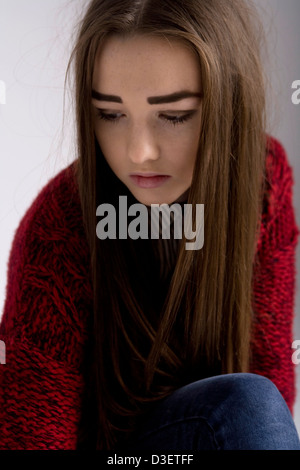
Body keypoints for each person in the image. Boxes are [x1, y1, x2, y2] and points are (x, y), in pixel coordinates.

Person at [0, 0, 299, 451]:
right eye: (110, 114)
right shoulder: (58, 231)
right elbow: (31, 437)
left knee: (254, 402)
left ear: (228, 105)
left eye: (174, 115)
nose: (139, 152)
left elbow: (272, 377)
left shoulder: (263, 185)